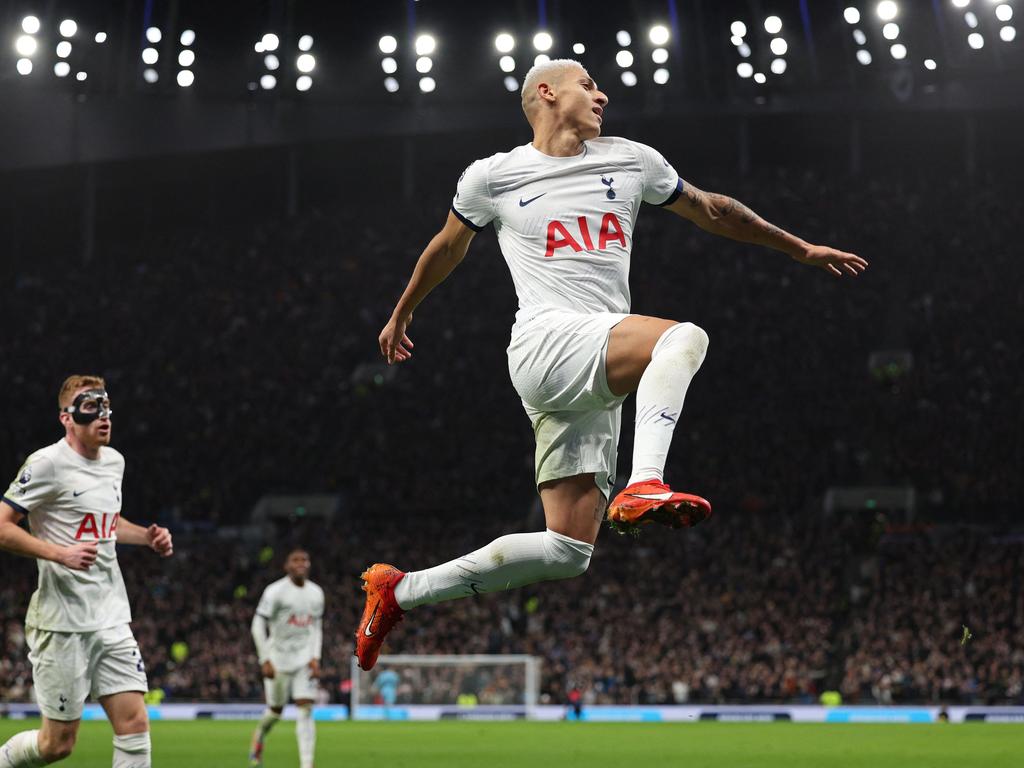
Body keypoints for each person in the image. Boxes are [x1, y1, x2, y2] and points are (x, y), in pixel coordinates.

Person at [355, 59, 867, 670]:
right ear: (547, 93)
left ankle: (400, 590)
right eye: (588, 85)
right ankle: (646, 480)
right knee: (683, 339)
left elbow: (712, 208)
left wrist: (799, 247)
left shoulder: (633, 160)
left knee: (566, 550)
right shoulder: (493, 176)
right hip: (546, 343)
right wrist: (402, 313)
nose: (603, 95)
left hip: (593, 364)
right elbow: (447, 246)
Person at [0, 375, 173, 767]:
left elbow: (107, 523)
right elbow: (2, 526)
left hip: (110, 616)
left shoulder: (115, 463)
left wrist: (146, 536)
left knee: (134, 723)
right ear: (66, 418)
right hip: (61, 622)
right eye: (90, 406)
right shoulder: (47, 464)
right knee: (56, 745)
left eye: (106, 406)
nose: (103, 415)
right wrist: (59, 554)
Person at [249, 548, 324, 768]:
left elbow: (316, 627)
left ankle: (307, 764)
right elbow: (257, 625)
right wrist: (265, 659)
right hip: (278, 659)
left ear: (309, 564)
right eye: (295, 560)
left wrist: (315, 657)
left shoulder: (317, 593)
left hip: (304, 661)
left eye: (305, 559)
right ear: (287, 566)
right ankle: (259, 736)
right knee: (275, 712)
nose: (300, 563)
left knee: (306, 708)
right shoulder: (275, 592)